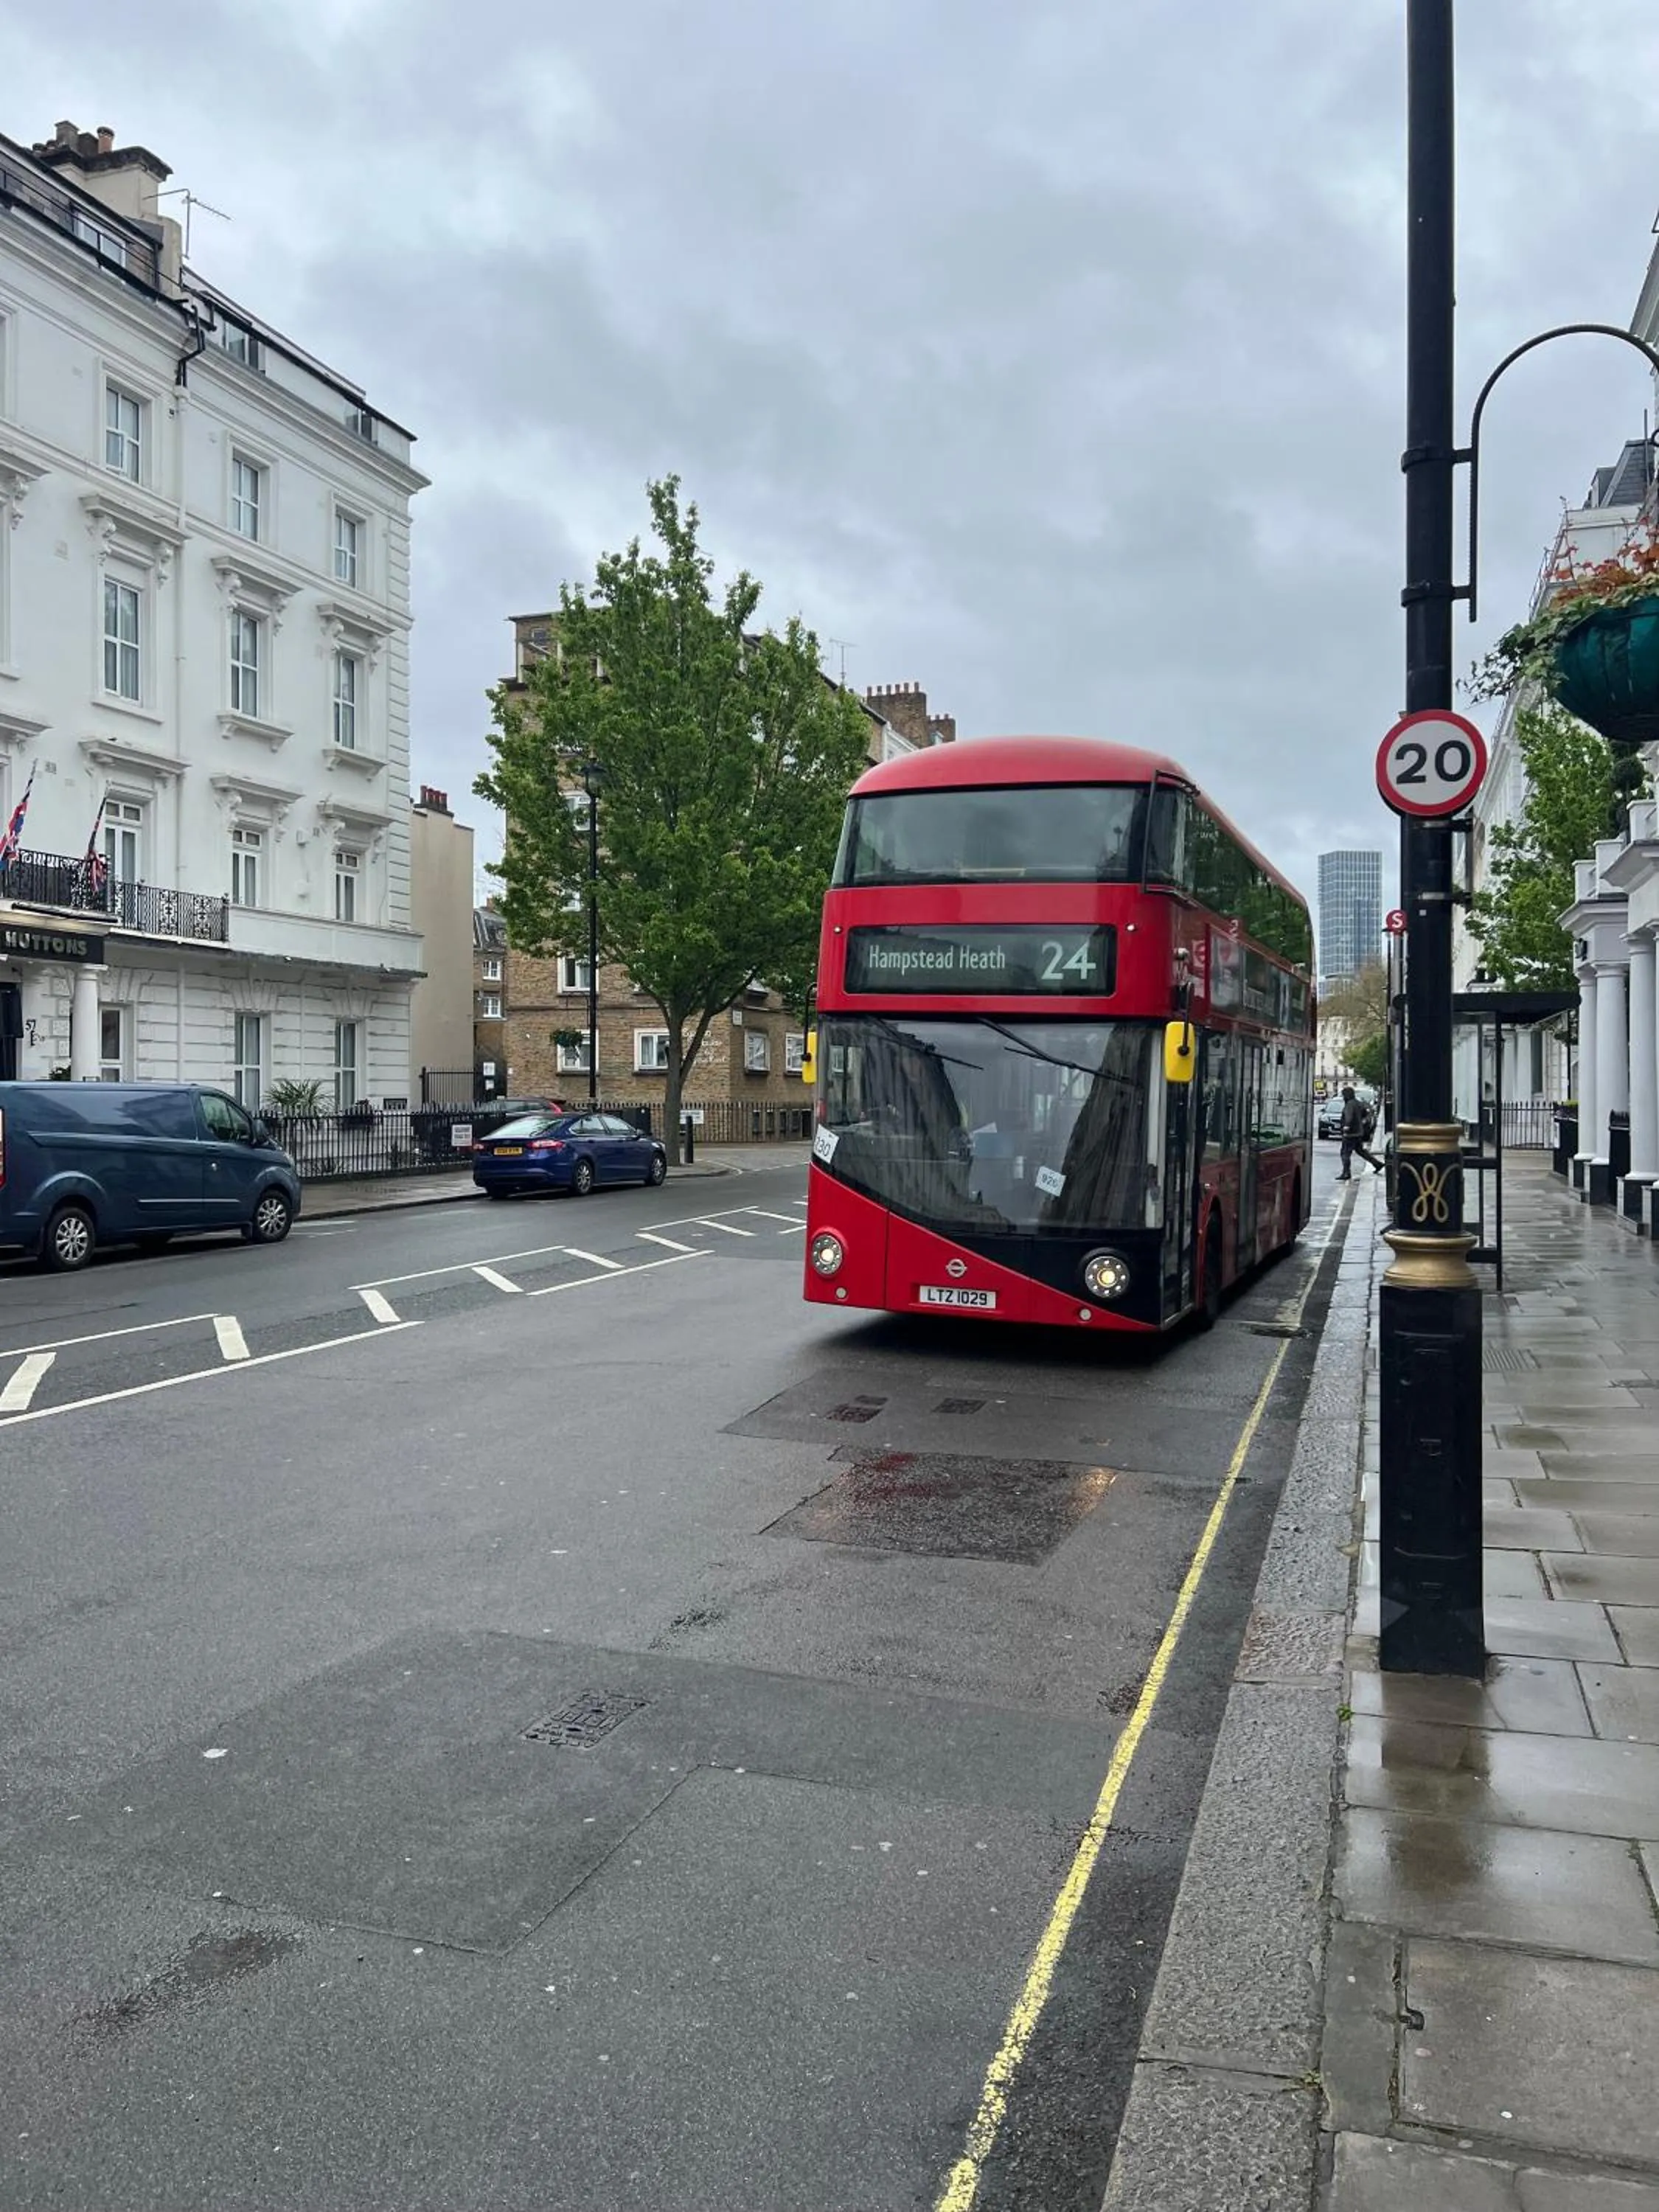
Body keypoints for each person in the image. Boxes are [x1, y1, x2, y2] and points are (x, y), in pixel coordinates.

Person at [1338, 1086, 1383, 1179]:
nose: (1343, 1097)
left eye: (1343, 1095)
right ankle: (1377, 1164)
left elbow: (1349, 1117)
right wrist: (1364, 1121)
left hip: (1350, 1133)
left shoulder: (1349, 1105)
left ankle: (1346, 1173)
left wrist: (1346, 1127)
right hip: (1359, 1132)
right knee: (1361, 1151)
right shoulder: (1358, 1103)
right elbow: (1368, 1112)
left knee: (1345, 1153)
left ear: (1347, 1095)